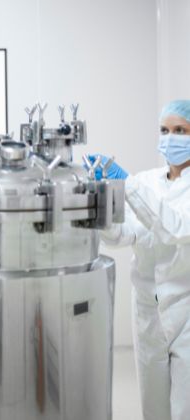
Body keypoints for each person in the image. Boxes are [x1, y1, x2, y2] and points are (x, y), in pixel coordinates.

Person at [90, 99, 190, 420]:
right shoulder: (147, 181)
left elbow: (174, 228)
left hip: (185, 310)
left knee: (185, 408)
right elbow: (123, 234)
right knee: (154, 407)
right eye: (164, 130)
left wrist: (127, 183)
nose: (171, 138)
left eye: (180, 131)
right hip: (147, 310)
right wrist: (101, 199)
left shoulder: (138, 184)